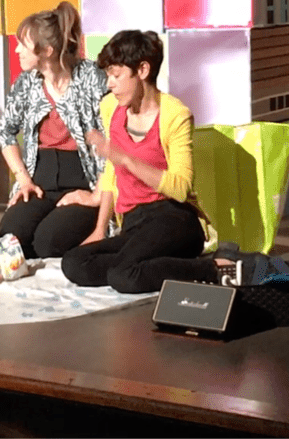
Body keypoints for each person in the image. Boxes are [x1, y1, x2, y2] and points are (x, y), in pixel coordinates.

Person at [61, 30, 219, 294]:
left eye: (116, 75)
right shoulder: (110, 107)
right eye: (108, 75)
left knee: (124, 275)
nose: (109, 83)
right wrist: (100, 228)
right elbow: (111, 171)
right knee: (74, 262)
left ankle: (213, 269)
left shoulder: (175, 115)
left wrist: (126, 159)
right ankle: (158, 265)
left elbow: (181, 187)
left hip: (173, 218)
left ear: (143, 70)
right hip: (134, 223)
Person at [0, 1, 109, 259]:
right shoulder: (26, 82)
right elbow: (5, 132)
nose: (16, 50)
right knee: (9, 240)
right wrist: (23, 180)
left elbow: (112, 140)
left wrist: (95, 195)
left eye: (23, 44)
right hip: (40, 180)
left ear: (46, 51)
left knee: (48, 242)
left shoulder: (92, 78)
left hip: (83, 181)